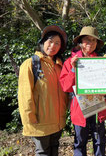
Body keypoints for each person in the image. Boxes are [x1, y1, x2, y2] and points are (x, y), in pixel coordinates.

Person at [18, 25, 69, 156]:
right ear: (42, 43)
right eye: (50, 41)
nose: (53, 46)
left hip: (57, 120)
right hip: (40, 121)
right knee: (42, 152)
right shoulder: (30, 64)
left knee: (54, 149)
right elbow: (25, 95)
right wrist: (29, 117)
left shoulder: (60, 65)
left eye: (57, 43)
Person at [59, 26, 106, 156]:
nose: (91, 43)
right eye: (87, 40)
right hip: (79, 106)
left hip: (98, 105)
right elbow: (66, 87)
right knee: (80, 140)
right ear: (80, 42)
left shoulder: (101, 60)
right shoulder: (70, 62)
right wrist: (72, 69)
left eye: (94, 41)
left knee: (99, 139)